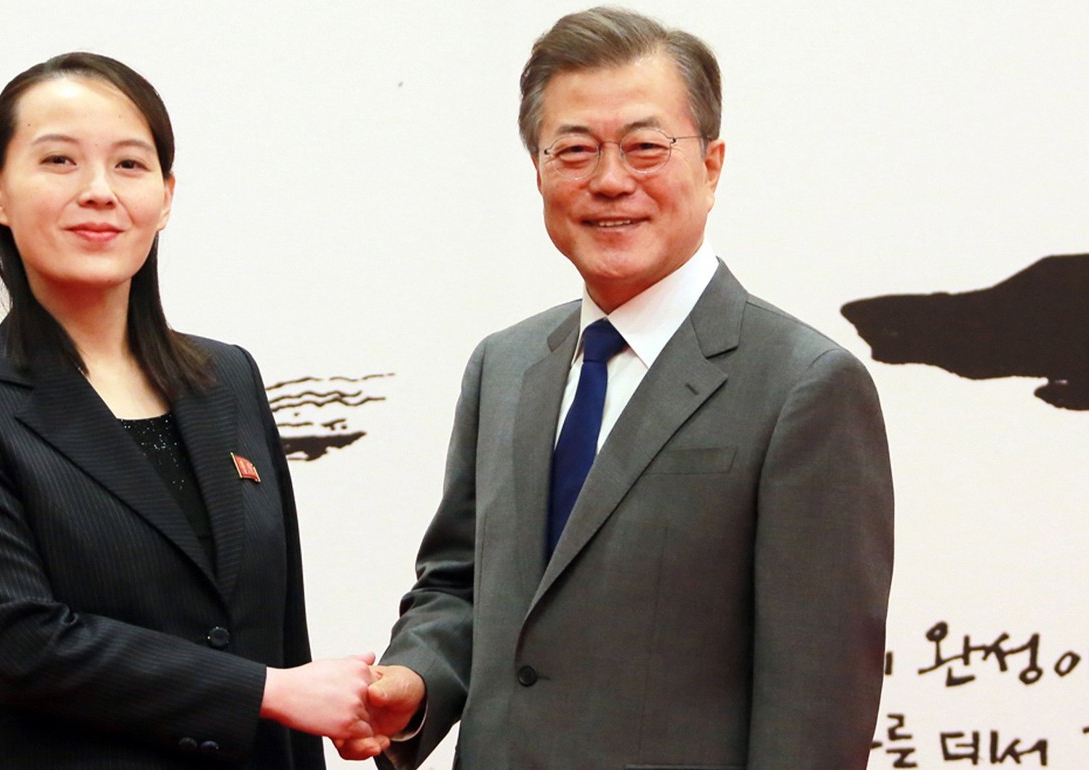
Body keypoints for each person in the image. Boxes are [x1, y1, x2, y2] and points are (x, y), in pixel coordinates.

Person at [338, 7, 894, 769]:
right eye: (573, 150)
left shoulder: (806, 387)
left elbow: (815, 702)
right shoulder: (503, 366)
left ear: (713, 163)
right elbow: (462, 587)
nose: (609, 180)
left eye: (645, 147)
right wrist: (414, 684)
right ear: (537, 167)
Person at [0, 52, 383, 769]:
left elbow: (278, 631)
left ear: (166, 193)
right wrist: (264, 692)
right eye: (60, 161)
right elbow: (23, 644)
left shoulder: (228, 377)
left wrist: (292, 701)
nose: (99, 192)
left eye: (130, 165)